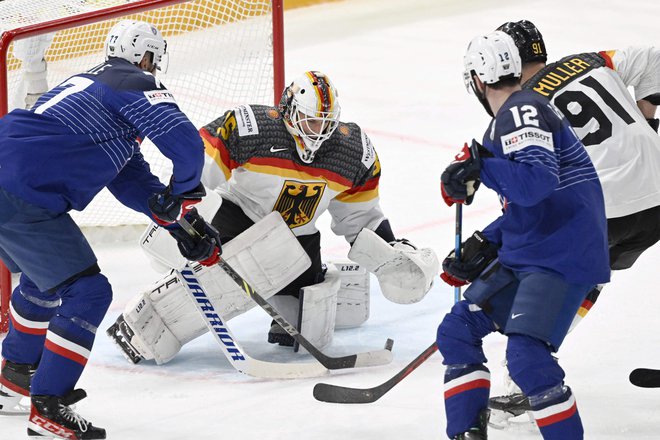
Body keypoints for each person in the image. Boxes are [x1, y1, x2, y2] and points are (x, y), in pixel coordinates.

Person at [106, 70, 439, 366]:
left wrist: (393, 252)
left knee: (309, 329)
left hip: (297, 241)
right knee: (211, 283)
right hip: (237, 222)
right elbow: (197, 171)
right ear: (291, 113)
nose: (318, 132)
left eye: (326, 123)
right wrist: (184, 221)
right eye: (311, 121)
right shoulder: (251, 128)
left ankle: (287, 311)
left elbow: (360, 218)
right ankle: (143, 320)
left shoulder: (353, 154)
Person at [0, 20, 221, 439]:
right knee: (88, 291)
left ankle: (14, 374)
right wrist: (188, 192)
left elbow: (133, 183)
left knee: (46, 279)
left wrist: (183, 225)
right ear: (145, 55)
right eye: (152, 58)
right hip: (19, 191)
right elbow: (187, 144)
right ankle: (49, 406)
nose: (153, 66)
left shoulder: (94, 92)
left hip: (8, 180)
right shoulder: (130, 80)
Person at [436, 31, 610, 439]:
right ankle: (466, 434)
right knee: (457, 331)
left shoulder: (521, 109)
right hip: (537, 251)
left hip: (559, 256)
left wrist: (483, 169)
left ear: (477, 78)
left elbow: (535, 184)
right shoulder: (512, 117)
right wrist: (484, 246)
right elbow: (528, 204)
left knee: (527, 357)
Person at [488, 20, 660, 426]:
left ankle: (528, 377)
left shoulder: (522, 108)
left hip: (604, 209)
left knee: (556, 277)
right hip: (658, 191)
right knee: (593, 272)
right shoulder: (594, 61)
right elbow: (655, 57)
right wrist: (647, 121)